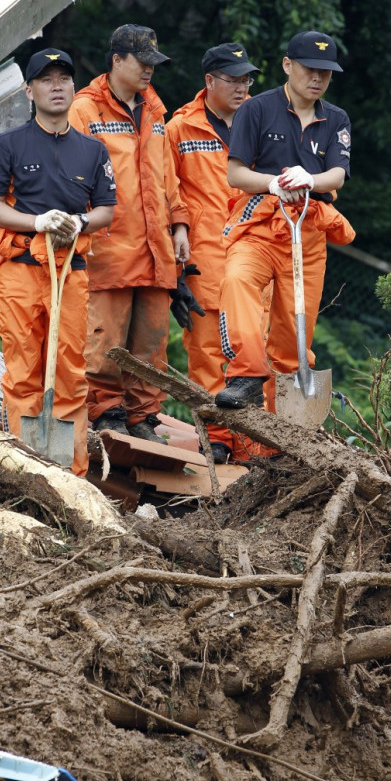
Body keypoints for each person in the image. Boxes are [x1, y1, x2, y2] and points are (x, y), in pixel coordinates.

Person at [0, 48, 116, 477]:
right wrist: (36, 221)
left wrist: (78, 221)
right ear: (30, 90)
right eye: (46, 79)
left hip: (71, 271)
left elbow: (107, 211)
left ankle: (70, 473)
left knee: (72, 370)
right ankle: (21, 467)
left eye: (63, 79)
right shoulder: (8, 145)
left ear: (74, 88)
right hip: (21, 269)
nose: (56, 86)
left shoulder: (93, 151)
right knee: (23, 370)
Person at [215, 30, 356, 417]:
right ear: (287, 65)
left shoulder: (337, 119)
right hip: (260, 224)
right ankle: (245, 375)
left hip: (308, 230)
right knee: (237, 280)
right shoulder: (256, 109)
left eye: (325, 73)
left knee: (294, 334)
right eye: (310, 69)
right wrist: (273, 183)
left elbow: (338, 176)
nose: (317, 78)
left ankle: (289, 437)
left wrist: (310, 179)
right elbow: (236, 173)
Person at [68, 24, 190, 444]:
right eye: (142, 62)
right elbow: (71, 180)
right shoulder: (84, 110)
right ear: (116, 59)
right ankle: (105, 412)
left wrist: (179, 225)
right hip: (108, 248)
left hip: (156, 248)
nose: (149, 71)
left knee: (153, 340)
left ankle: (143, 415)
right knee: (104, 338)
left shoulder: (156, 110)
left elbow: (167, 178)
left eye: (154, 64)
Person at [167, 42, 267, 464]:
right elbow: (166, 193)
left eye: (247, 79)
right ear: (209, 81)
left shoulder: (263, 123)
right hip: (203, 257)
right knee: (208, 352)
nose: (243, 87)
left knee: (256, 350)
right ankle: (220, 442)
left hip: (255, 255)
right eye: (234, 79)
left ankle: (257, 446)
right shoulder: (179, 129)